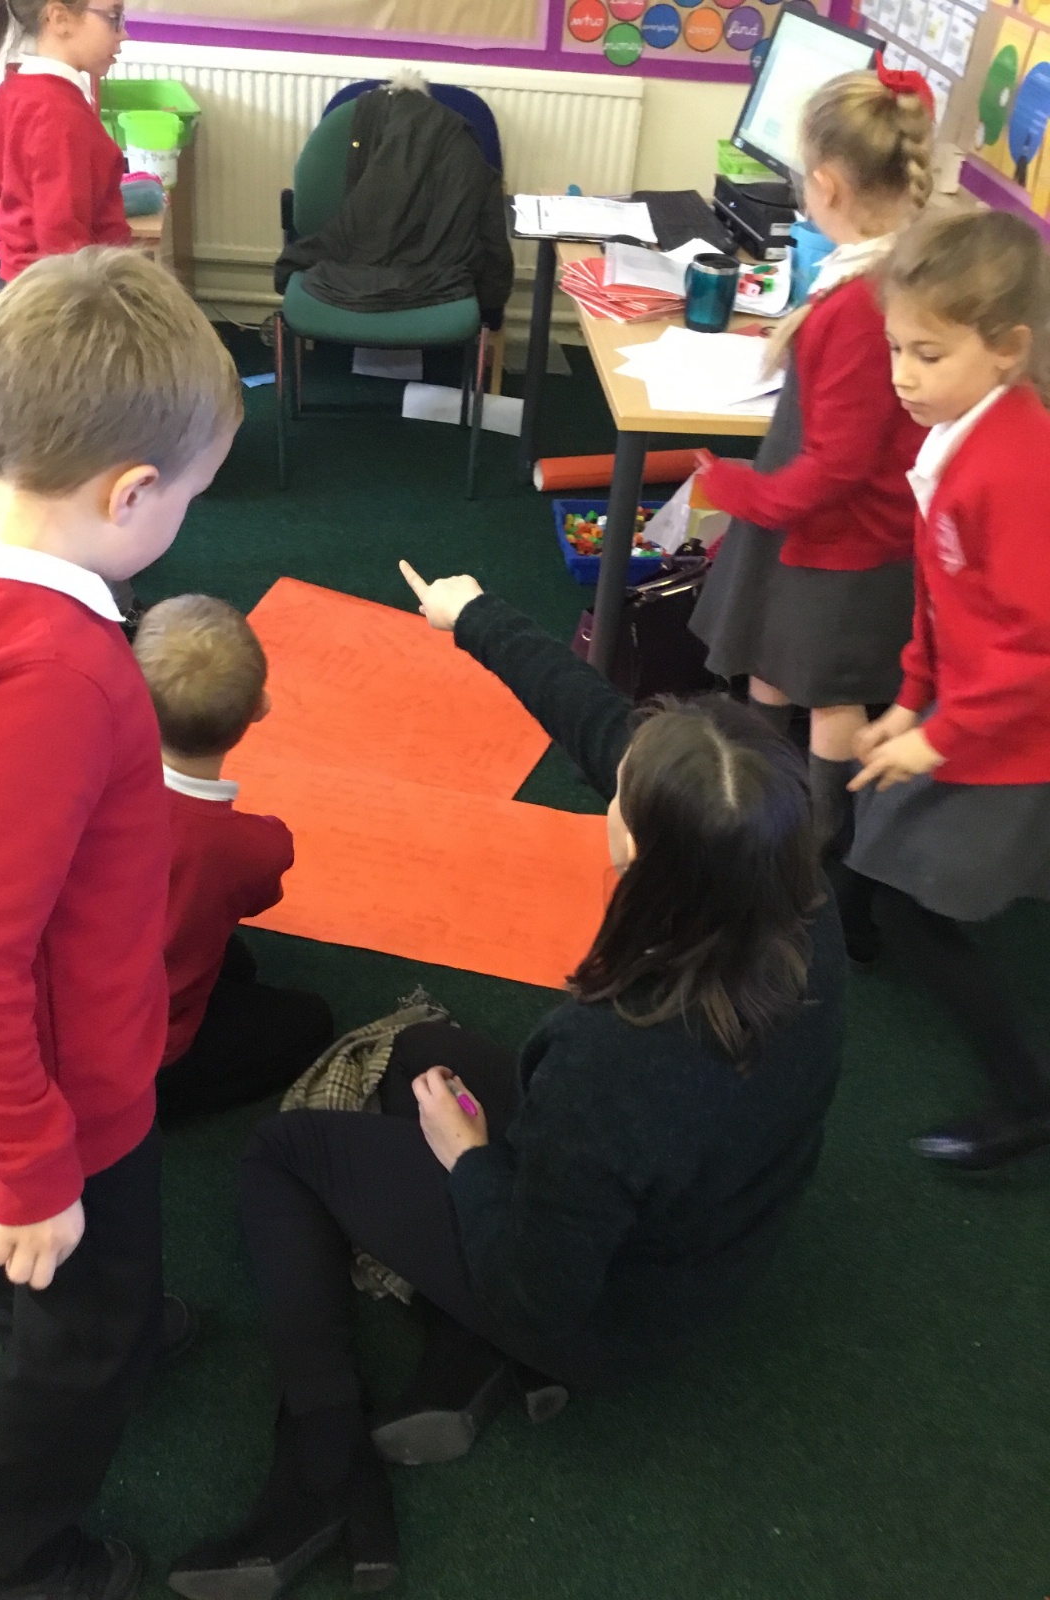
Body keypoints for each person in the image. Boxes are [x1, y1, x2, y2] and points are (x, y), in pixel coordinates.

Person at [167, 563, 846, 1600]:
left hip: (608, 1311)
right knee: (416, 1049)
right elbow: (600, 725)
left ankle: (322, 1465)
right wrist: (472, 616)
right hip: (701, 1233)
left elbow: (540, 1283)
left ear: (643, 848)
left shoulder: (626, 1056)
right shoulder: (788, 898)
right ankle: (464, 1363)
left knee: (286, 1152)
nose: (610, 779)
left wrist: (471, 1162)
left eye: (619, 794)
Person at [0, 248, 242, 1600]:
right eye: (188, 495)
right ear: (131, 494)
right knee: (82, 1316)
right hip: (64, 1077)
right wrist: (33, 1162)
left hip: (25, 1056)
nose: (183, 514)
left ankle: (60, 1299)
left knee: (67, 1260)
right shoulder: (63, 676)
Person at [839, 210, 1050, 1172]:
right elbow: (940, 591)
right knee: (879, 830)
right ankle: (851, 929)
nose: (902, 376)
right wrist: (912, 695)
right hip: (965, 700)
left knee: (920, 909)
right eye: (895, 349)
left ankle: (1026, 1101)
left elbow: (1035, 649)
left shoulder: (1018, 466)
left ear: (1008, 349)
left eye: (928, 355)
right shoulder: (954, 437)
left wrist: (940, 729)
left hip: (1015, 730)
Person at [691, 64, 934, 858]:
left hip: (845, 542)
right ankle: (758, 817)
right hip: (816, 530)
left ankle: (819, 854)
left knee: (828, 697)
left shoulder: (861, 305)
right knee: (772, 668)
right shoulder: (881, 271)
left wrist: (738, 490)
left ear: (826, 184)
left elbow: (839, 465)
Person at [132, 595, 335, 1121]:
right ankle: (151, 1102)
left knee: (237, 963)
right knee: (312, 1020)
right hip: (143, 1049)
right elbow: (257, 896)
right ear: (259, 709)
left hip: (63, 1002)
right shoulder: (252, 846)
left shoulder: (78, 773)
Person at [0, 0, 133, 285]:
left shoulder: (8, 94)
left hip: (18, 284)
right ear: (60, 19)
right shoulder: (62, 115)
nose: (123, 34)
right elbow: (62, 236)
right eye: (114, 17)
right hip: (64, 292)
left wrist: (16, 248)